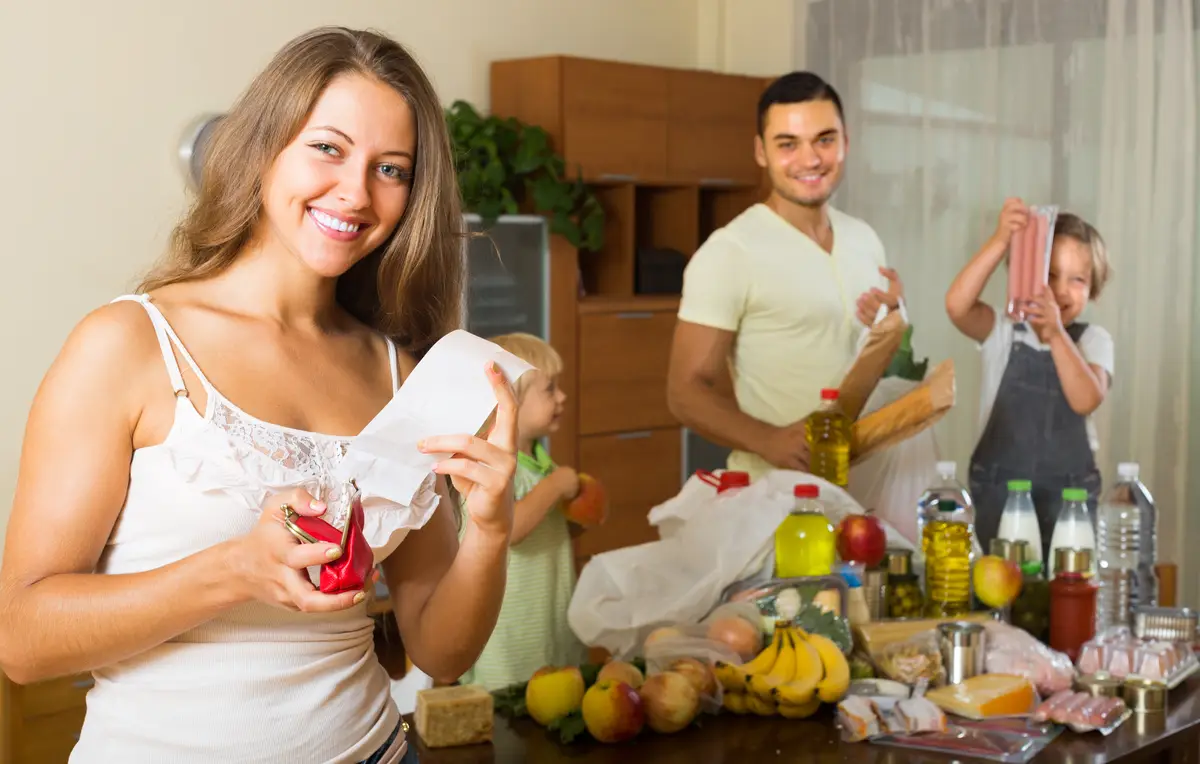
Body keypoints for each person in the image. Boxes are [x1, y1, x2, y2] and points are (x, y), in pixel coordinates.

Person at [0, 27, 518, 764]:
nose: (356, 192)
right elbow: (20, 640)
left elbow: (442, 649)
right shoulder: (130, 345)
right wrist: (233, 570)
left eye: (391, 169)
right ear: (263, 147)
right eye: (328, 148)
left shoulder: (398, 373)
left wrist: (489, 530)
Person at [667, 71, 902, 481]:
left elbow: (861, 360)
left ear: (846, 143)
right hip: (777, 493)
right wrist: (768, 439)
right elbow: (685, 391)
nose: (810, 160)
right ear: (761, 152)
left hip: (866, 488)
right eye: (788, 144)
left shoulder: (865, 240)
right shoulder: (731, 252)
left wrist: (892, 320)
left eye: (824, 140)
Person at [945, 199, 1113, 557]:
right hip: (1000, 497)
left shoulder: (1093, 341)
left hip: (1069, 503)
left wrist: (1056, 334)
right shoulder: (1004, 332)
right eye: (1049, 275)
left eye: (1077, 279)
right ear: (1027, 273)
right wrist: (1001, 240)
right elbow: (957, 306)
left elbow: (1086, 398)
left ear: (1093, 288)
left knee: (1067, 583)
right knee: (1002, 582)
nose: (1061, 291)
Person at [458, 332, 588, 690]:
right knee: (511, 706)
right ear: (508, 401)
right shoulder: (491, 466)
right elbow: (511, 530)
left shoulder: (541, 464)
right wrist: (556, 486)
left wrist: (577, 518)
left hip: (549, 612)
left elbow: (544, 526)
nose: (562, 397)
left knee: (557, 694)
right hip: (510, 629)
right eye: (550, 389)